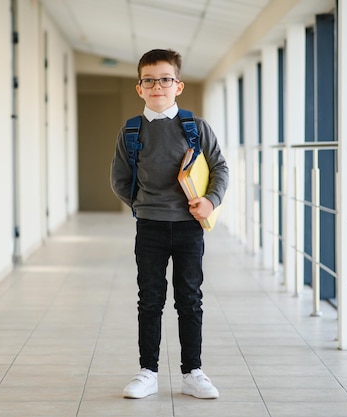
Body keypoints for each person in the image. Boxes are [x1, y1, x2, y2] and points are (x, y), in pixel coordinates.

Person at [110, 49, 229, 400]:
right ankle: (148, 372)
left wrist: (210, 201)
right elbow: (119, 180)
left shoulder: (196, 128)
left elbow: (220, 168)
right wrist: (145, 206)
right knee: (150, 299)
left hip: (190, 227)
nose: (157, 86)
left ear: (178, 85)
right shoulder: (131, 131)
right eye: (149, 80)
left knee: (190, 299)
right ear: (139, 88)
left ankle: (193, 372)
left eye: (164, 79)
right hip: (150, 227)